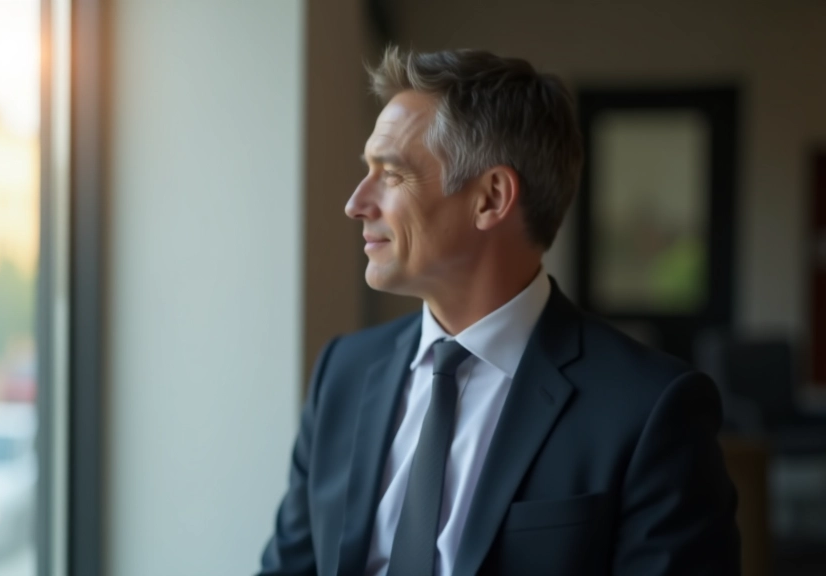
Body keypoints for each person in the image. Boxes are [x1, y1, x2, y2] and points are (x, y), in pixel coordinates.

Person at [258, 47, 740, 576]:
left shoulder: (651, 410)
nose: (356, 202)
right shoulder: (342, 374)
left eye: (391, 175)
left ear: (491, 198)